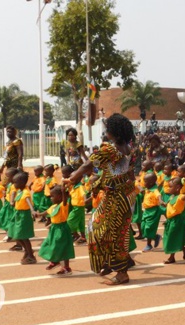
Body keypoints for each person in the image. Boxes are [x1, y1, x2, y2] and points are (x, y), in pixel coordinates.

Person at [68, 113, 138, 285]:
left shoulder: (109, 149)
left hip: (117, 197)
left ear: (115, 132)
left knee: (106, 231)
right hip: (126, 195)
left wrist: (72, 178)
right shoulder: (130, 149)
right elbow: (128, 174)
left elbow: (87, 165)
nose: (106, 131)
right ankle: (111, 262)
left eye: (108, 129)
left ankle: (122, 272)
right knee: (107, 230)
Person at [36, 185, 75, 276]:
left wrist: (63, 192)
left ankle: (66, 268)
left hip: (62, 229)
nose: (51, 198)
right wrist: (37, 214)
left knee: (62, 247)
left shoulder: (63, 205)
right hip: (54, 229)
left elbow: (65, 201)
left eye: (52, 196)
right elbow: (45, 213)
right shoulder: (53, 206)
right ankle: (55, 261)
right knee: (48, 244)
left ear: (60, 196)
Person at [162, 177, 185, 264]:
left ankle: (171, 257)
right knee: (173, 237)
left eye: (170, 186)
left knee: (171, 239)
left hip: (176, 221)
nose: (168, 188)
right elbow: (168, 205)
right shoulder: (172, 196)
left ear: (177, 188)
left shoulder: (180, 197)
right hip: (170, 220)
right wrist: (163, 203)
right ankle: (184, 248)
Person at [9, 171, 36, 264]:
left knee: (24, 236)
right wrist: (12, 200)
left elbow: (29, 202)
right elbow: (14, 201)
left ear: (21, 183)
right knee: (16, 235)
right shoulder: (19, 191)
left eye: (15, 182)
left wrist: (33, 211)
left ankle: (31, 256)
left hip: (24, 215)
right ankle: (28, 251)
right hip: (18, 214)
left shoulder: (26, 193)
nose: (14, 184)